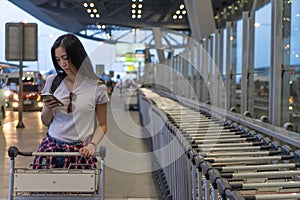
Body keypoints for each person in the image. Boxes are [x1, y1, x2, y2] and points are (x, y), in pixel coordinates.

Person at [33, 33, 109, 169]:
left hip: (80, 151)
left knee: (81, 190)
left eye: (65, 58)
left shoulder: (97, 87)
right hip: (51, 148)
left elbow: (103, 124)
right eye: (58, 59)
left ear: (77, 55)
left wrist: (92, 145)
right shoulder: (52, 81)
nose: (62, 64)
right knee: (44, 189)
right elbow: (45, 122)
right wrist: (48, 108)